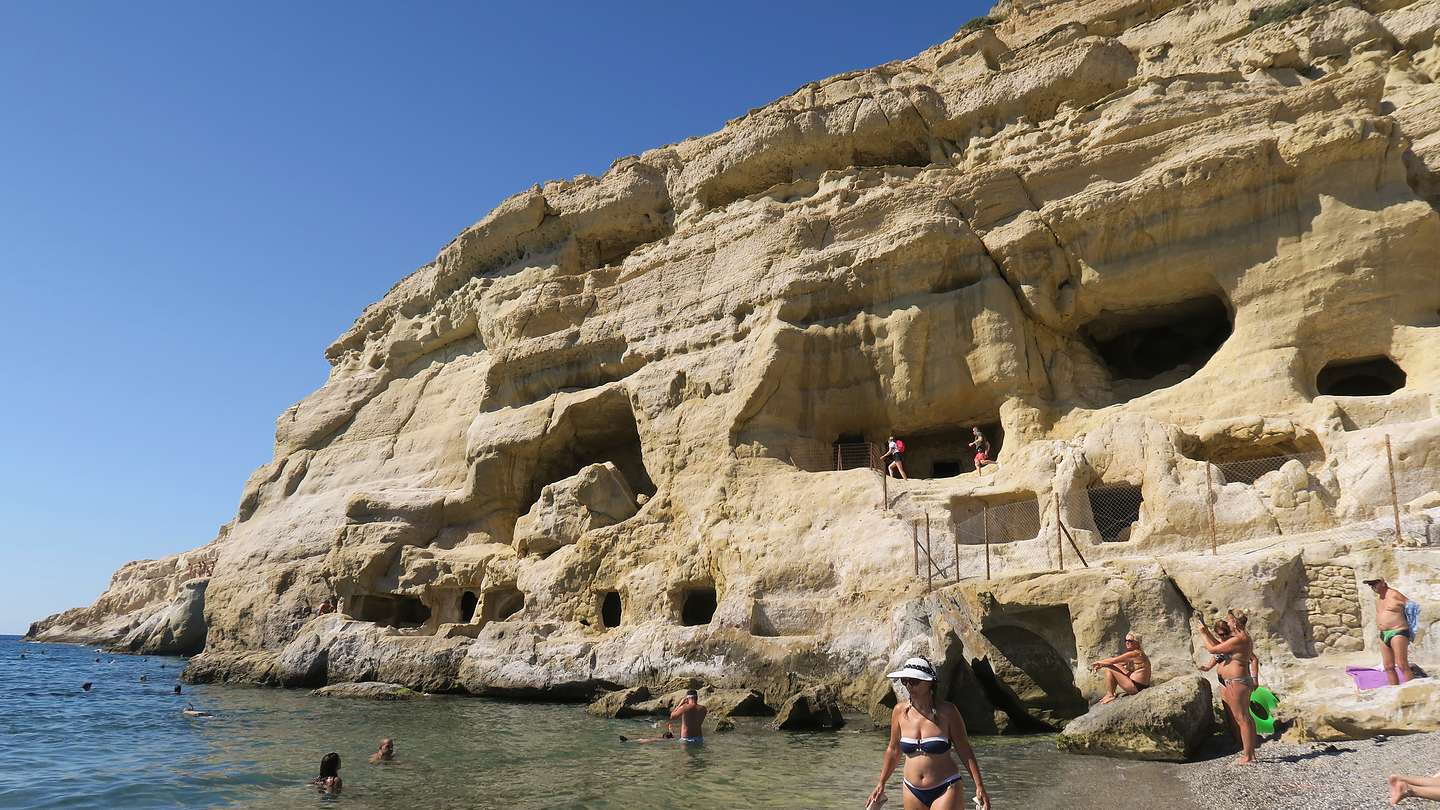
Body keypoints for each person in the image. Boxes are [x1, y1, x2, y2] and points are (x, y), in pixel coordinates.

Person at [869, 657, 990, 810]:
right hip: (911, 788)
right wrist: (881, 783)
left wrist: (979, 785)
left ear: (930, 683)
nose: (908, 686)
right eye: (904, 680)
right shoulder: (899, 712)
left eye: (914, 681)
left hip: (946, 786)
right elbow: (893, 750)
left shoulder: (948, 712)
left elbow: (964, 750)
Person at [1197, 610, 1259, 764]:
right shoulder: (1241, 639)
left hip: (1236, 681)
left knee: (1242, 718)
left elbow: (1213, 649)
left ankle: (1248, 756)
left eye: (1229, 620)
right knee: (1245, 718)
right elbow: (1220, 647)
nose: (1228, 622)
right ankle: (1249, 752)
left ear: (1236, 623)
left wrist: (1203, 633)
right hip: (1237, 681)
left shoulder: (1239, 639)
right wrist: (1205, 630)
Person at [1366, 577, 1413, 685]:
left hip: (1398, 631)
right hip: (1383, 634)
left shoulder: (1394, 594)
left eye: (1374, 583)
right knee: (1388, 666)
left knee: (1401, 664)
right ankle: (1394, 692)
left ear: (1382, 583)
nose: (1372, 587)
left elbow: (1413, 607)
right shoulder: (1379, 599)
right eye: (1370, 585)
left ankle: (1413, 692)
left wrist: (1411, 627)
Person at [620, 690, 707, 744]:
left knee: (657, 740)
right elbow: (695, 724)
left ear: (687, 699)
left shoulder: (685, 707)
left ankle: (632, 742)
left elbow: (672, 716)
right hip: (699, 739)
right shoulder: (703, 709)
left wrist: (680, 704)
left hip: (686, 740)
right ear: (696, 698)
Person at [1090, 633, 1152, 704]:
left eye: (1130, 640)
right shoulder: (1136, 653)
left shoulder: (1135, 653)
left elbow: (1113, 660)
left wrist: (1098, 662)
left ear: (1137, 643)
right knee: (1113, 666)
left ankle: (1110, 694)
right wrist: (1101, 665)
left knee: (1110, 667)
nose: (1127, 642)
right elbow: (1117, 663)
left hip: (1137, 687)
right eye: (1125, 640)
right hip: (1140, 685)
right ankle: (1110, 693)